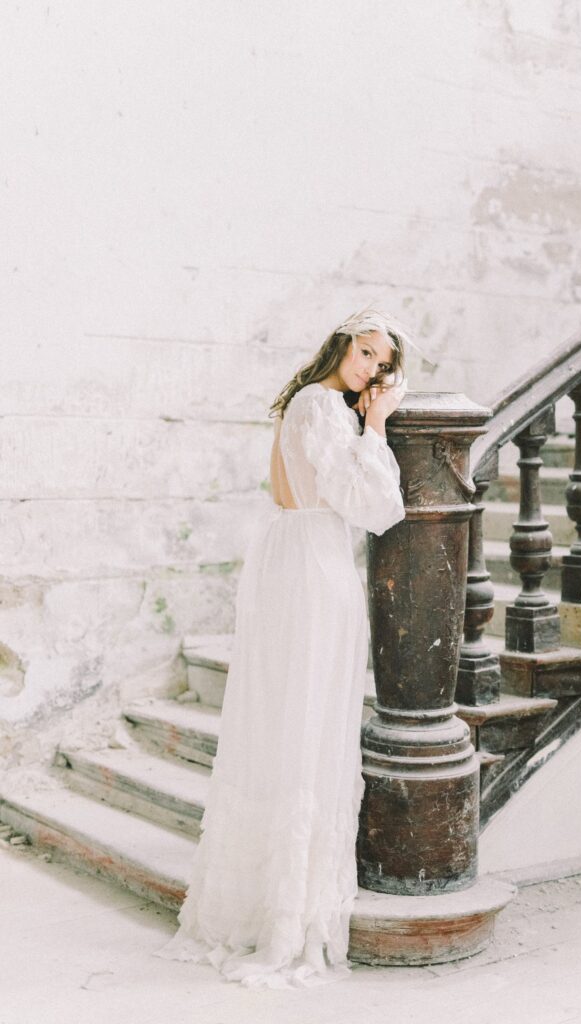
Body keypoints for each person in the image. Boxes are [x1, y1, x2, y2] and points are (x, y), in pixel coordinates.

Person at [154, 309, 409, 989]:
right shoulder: (326, 408)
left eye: (383, 365)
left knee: (288, 724)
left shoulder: (303, 401)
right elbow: (375, 505)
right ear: (341, 345)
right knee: (308, 728)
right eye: (365, 352)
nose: (371, 369)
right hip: (318, 566)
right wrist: (379, 425)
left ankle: (265, 902)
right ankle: (286, 919)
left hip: (295, 556)